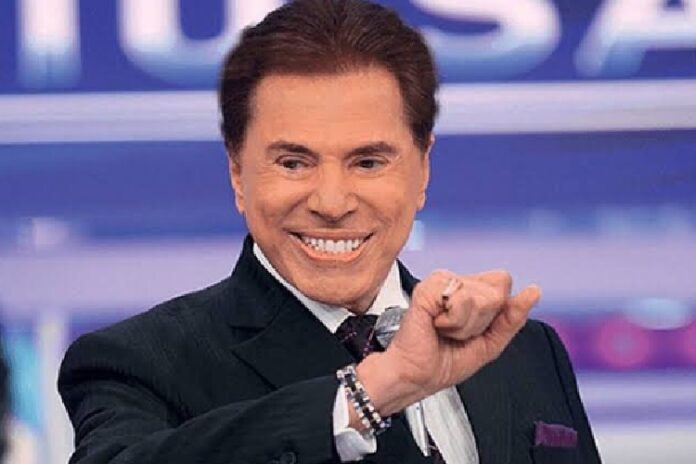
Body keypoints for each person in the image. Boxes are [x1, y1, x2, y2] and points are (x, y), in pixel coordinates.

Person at [58, 1, 601, 463]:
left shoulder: (526, 351)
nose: (332, 203)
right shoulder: (139, 362)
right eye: (294, 163)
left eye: (368, 162)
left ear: (423, 171)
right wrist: (372, 392)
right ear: (238, 174)